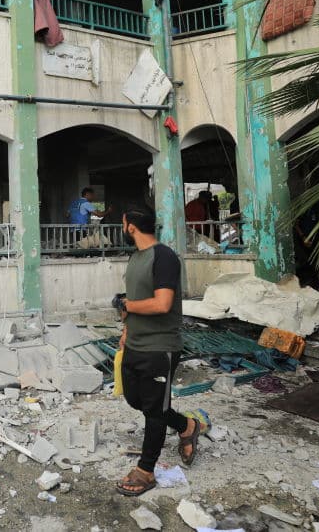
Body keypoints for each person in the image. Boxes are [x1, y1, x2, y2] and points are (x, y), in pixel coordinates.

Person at [113, 207, 200, 497]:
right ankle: (187, 425)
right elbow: (137, 299)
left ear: (132, 227)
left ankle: (146, 471)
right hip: (136, 343)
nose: (122, 229)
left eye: (123, 224)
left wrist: (126, 305)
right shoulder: (136, 257)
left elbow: (162, 304)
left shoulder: (163, 257)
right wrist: (126, 332)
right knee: (136, 398)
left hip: (160, 347)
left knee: (153, 410)